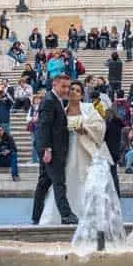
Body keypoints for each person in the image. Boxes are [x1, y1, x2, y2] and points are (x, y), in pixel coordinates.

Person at [38, 79, 107, 224]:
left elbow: (100, 126)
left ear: (82, 95)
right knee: (64, 181)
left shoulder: (88, 108)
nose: (73, 92)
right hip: (66, 150)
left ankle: (89, 218)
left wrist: (85, 129)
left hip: (84, 150)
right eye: (71, 89)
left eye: (77, 90)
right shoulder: (62, 110)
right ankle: (61, 215)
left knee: (85, 182)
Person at [31, 74, 79, 226]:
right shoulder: (50, 101)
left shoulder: (55, 100)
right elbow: (43, 126)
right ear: (54, 84)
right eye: (63, 86)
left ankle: (36, 216)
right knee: (59, 182)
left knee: (44, 183)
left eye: (68, 87)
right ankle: (66, 215)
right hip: (51, 150)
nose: (66, 90)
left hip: (52, 148)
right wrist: (47, 149)